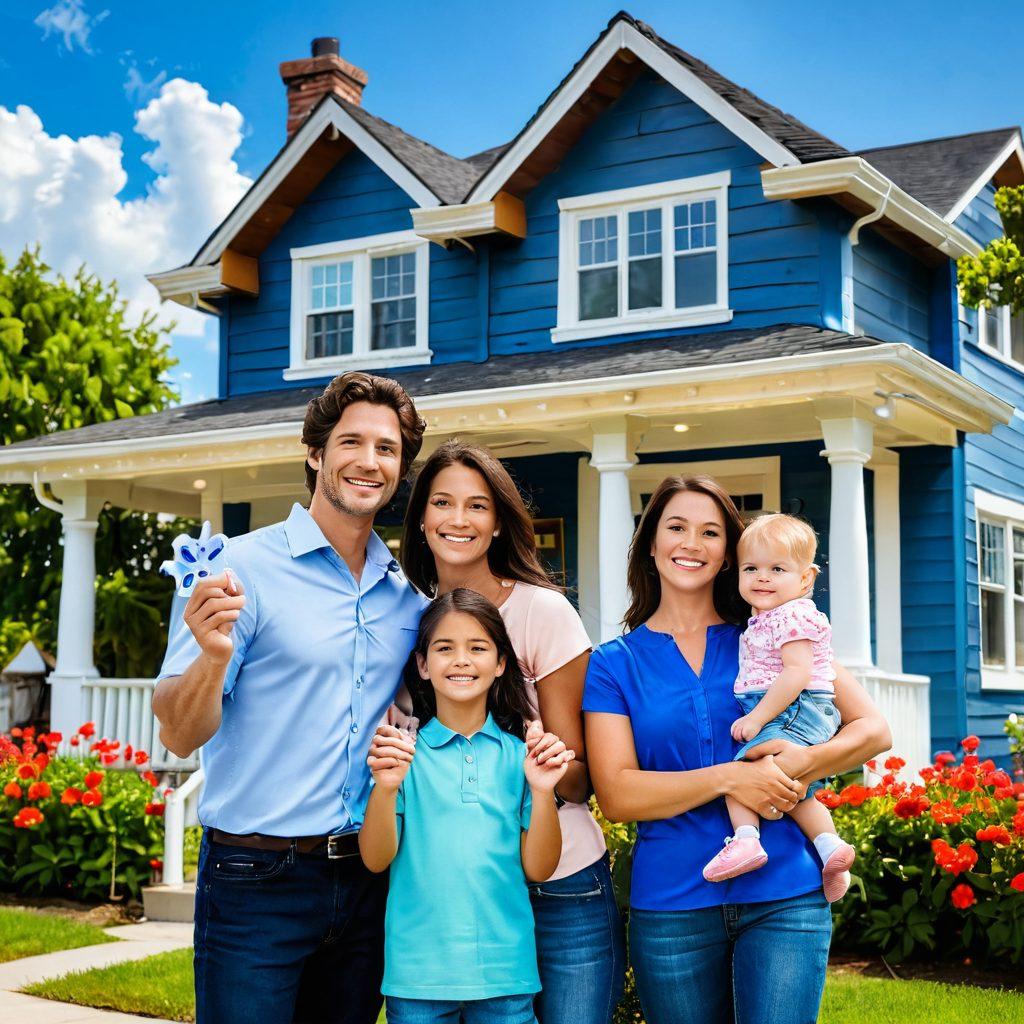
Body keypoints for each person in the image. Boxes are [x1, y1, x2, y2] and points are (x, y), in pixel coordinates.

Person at [152, 371, 427, 1024]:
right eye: (352, 442)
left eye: (387, 449)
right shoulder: (235, 572)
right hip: (255, 879)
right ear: (315, 453)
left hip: (365, 882)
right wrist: (213, 658)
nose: (369, 462)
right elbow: (179, 735)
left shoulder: (407, 598)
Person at [583, 475, 892, 1024]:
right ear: (650, 542)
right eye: (675, 527)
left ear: (729, 553)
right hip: (673, 901)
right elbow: (618, 794)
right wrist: (731, 779)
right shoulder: (614, 662)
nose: (691, 544)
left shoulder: (772, 632)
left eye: (710, 532)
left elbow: (872, 730)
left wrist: (804, 760)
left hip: (785, 894)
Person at [400, 440, 626, 1024]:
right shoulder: (406, 617)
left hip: (560, 881)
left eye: (477, 506)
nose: (458, 519)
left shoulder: (542, 613)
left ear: (499, 522)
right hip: (456, 890)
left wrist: (542, 767)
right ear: (420, 518)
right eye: (442, 503)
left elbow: (583, 779)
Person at [359, 588, 573, 1024]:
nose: (461, 660)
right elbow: (375, 859)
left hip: (506, 978)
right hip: (417, 980)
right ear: (422, 664)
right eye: (444, 648)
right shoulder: (401, 757)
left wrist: (545, 789)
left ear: (500, 664)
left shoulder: (521, 757)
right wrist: (384, 789)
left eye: (477, 648)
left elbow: (539, 868)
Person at [703, 513, 857, 902]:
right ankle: (830, 848)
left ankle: (746, 839)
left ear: (806, 579)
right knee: (796, 788)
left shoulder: (792, 614)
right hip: (796, 707)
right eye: (751, 568)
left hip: (795, 706)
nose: (762, 577)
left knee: (742, 772)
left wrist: (756, 717)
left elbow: (796, 673)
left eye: (777, 568)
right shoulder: (766, 617)